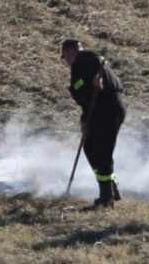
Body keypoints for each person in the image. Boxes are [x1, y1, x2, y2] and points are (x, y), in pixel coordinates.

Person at [61, 39, 126, 209]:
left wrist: (99, 77)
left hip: (109, 108)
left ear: (70, 51)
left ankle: (106, 199)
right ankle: (110, 187)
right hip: (95, 112)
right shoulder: (76, 71)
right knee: (90, 148)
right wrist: (84, 122)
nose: (66, 60)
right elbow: (86, 102)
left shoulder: (86, 57)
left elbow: (98, 63)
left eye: (66, 55)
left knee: (102, 152)